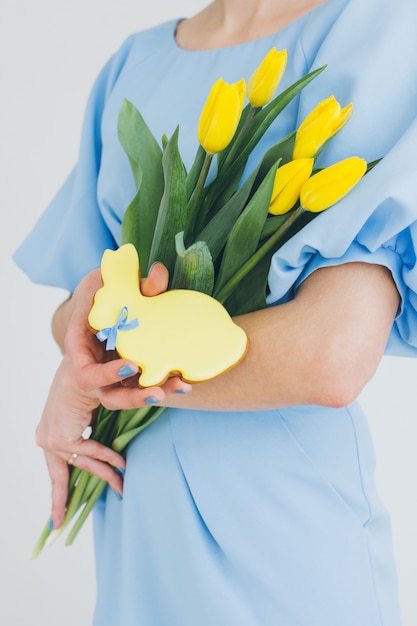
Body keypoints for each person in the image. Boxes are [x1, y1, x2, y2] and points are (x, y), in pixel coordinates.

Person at [13, 0, 417, 624]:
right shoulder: (136, 63)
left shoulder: (377, 31)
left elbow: (328, 354)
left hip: (278, 540)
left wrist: (107, 376)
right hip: (135, 520)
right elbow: (79, 303)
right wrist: (84, 361)